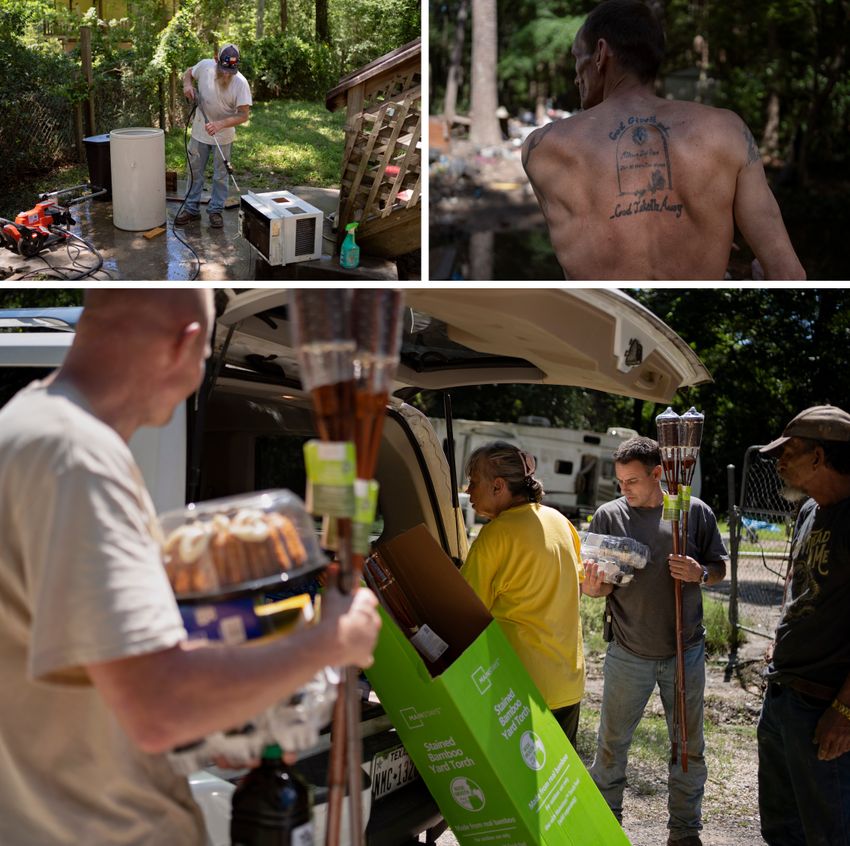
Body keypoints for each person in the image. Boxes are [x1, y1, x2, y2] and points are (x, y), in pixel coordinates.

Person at [0, 290, 380, 845]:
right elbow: (161, 707)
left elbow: (99, 677)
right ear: (187, 345)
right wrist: (331, 640)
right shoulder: (76, 456)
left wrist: (227, 714)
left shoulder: (27, 428)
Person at [521, 0, 804, 281]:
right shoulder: (728, 131)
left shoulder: (544, 147)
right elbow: (788, 273)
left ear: (600, 54)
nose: (575, 77)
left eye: (576, 58)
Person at [582, 435, 727, 846]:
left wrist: (700, 573)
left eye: (631, 481)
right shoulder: (609, 516)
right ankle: (606, 827)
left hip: (686, 652)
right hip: (628, 652)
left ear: (659, 474)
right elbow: (598, 588)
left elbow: (720, 569)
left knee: (688, 748)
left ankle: (684, 832)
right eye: (620, 481)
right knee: (611, 746)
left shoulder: (692, 513)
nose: (622, 489)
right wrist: (593, 588)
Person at [757, 405, 850, 846]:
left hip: (824, 709)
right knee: (781, 830)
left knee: (829, 833)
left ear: (818, 457)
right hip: (782, 697)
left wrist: (845, 712)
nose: (780, 463)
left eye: (788, 452)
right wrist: (780, 638)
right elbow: (799, 584)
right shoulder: (810, 510)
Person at [460, 441, 585, 746]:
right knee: (557, 789)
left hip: (520, 690)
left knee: (515, 789)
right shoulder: (560, 521)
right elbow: (576, 588)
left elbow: (464, 612)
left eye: (474, 482)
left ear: (498, 486)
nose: (468, 491)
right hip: (568, 683)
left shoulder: (495, 535)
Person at [176, 44, 252, 229]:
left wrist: (220, 124)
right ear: (216, 59)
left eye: (230, 71)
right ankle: (191, 209)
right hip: (200, 131)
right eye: (224, 70)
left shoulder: (241, 83)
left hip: (223, 136)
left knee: (220, 175)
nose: (226, 75)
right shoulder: (205, 66)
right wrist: (187, 85)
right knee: (195, 172)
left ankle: (216, 210)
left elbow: (244, 115)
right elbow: (188, 73)